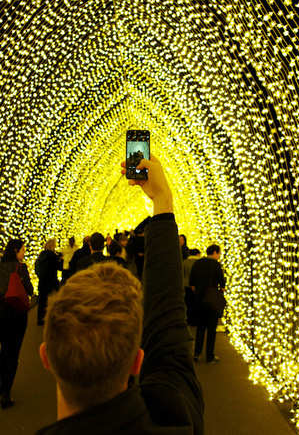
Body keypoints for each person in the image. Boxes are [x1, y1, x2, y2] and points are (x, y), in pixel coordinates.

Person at [35, 154, 203, 434]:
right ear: (137, 361)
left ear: (46, 357)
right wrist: (162, 202)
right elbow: (167, 324)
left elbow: (168, 327)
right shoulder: (176, 418)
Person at [0, 239, 34, 409]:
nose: (24, 253)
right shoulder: (21, 268)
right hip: (17, 314)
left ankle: (2, 385)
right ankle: (6, 391)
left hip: (1, 315)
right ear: (15, 251)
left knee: (5, 348)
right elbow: (29, 290)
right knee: (14, 352)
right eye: (23, 250)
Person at [189, 245, 226, 363]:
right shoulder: (216, 264)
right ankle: (209, 356)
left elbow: (192, 282)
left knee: (200, 327)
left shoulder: (198, 263)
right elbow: (222, 283)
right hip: (212, 301)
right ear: (215, 252)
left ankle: (197, 353)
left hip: (200, 300)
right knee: (211, 329)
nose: (219, 256)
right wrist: (219, 291)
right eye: (219, 253)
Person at [35, 239, 61, 326]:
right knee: (53, 301)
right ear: (52, 246)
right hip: (52, 282)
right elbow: (59, 267)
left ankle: (40, 319)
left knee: (42, 301)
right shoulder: (53, 256)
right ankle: (52, 320)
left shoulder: (41, 255)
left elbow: (37, 269)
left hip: (42, 282)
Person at [183, 248, 202, 325]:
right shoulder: (199, 263)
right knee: (196, 303)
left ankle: (189, 319)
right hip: (196, 286)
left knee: (188, 303)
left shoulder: (184, 262)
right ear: (197, 254)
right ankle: (195, 320)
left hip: (186, 285)